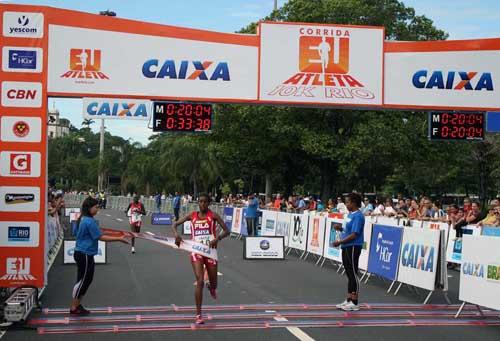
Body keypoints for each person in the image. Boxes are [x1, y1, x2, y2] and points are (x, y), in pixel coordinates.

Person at [171, 194, 230, 325]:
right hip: (196, 251)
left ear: (209, 203)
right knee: (199, 280)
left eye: (204, 202)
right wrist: (176, 235)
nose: (202, 204)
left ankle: (212, 287)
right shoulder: (192, 215)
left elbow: (227, 231)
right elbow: (174, 224)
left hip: (210, 251)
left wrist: (217, 239)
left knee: (214, 283)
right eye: (200, 202)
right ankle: (198, 314)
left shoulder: (213, 215)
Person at [70, 197, 129, 315]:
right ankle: (74, 307)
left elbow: (84, 233)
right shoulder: (89, 221)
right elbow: (100, 237)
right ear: (89, 208)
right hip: (84, 253)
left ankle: (77, 305)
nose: (98, 209)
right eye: (96, 207)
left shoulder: (83, 218)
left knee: (86, 280)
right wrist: (118, 238)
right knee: (83, 281)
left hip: (83, 253)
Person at [334, 193, 365, 311]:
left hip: (353, 246)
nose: (346, 204)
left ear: (354, 203)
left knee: (353, 273)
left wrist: (340, 242)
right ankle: (349, 299)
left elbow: (354, 234)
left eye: (348, 202)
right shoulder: (350, 215)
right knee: (348, 273)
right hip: (346, 246)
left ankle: (355, 301)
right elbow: (348, 230)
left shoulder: (358, 216)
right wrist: (340, 228)